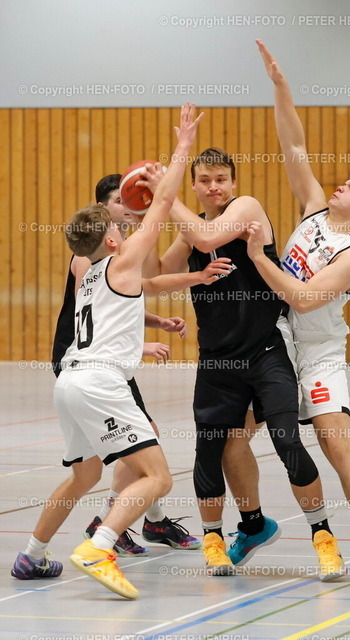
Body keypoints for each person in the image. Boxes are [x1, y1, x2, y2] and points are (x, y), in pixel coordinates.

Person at [10, 103, 228, 599]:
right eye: (118, 226)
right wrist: (181, 149)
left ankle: (32, 555)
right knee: (158, 477)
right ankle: (101, 546)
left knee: (84, 474)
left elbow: (146, 286)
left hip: (70, 381)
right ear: (110, 238)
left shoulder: (92, 271)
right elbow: (163, 202)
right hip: (100, 383)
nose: (126, 227)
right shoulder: (121, 259)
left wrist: (195, 277)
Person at [239, 40, 350, 587]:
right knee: (234, 434)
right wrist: (281, 87)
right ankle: (253, 524)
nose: (340, 185)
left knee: (336, 442)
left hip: (319, 352)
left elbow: (305, 298)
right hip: (276, 343)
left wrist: (259, 256)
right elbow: (294, 144)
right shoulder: (312, 210)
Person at [142, 147, 341, 578]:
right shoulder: (190, 229)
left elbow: (208, 239)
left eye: (221, 179)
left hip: (266, 351)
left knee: (288, 443)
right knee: (210, 448)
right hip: (217, 360)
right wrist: (146, 220)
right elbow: (154, 276)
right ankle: (215, 539)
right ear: (194, 186)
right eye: (205, 180)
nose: (214, 187)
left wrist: (165, 194)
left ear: (232, 182)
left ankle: (324, 538)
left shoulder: (245, 207)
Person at [51, 173, 201, 555]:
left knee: (139, 440)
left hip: (101, 360)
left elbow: (133, 293)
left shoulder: (114, 257)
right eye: (122, 200)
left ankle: (148, 520)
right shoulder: (87, 258)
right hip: (87, 359)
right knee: (136, 449)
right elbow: (100, 311)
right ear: (102, 210)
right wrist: (140, 345)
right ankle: (110, 524)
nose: (130, 205)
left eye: (133, 198)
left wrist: (158, 320)